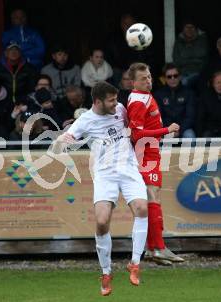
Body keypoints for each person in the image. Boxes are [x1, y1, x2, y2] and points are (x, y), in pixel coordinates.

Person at [56, 81, 148, 296]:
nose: (116, 103)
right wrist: (63, 139)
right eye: (111, 100)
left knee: (142, 208)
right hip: (105, 174)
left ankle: (134, 263)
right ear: (97, 101)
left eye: (116, 99)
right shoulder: (85, 121)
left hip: (128, 168)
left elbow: (131, 128)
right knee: (101, 220)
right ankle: (106, 272)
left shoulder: (120, 109)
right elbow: (65, 139)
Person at [126, 62, 184, 265]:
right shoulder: (138, 102)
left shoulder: (143, 96)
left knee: (152, 198)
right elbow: (135, 134)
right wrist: (165, 130)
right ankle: (158, 248)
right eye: (143, 78)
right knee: (153, 197)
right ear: (133, 82)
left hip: (151, 152)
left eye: (149, 76)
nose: (148, 80)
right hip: (145, 154)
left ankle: (154, 248)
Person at [153, 63, 196, 138]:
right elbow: (158, 117)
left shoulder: (189, 93)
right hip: (166, 129)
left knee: (190, 135)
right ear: (165, 78)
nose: (173, 79)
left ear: (180, 77)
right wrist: (169, 130)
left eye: (175, 76)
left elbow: (190, 116)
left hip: (183, 129)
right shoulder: (158, 94)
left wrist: (179, 130)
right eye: (169, 77)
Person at [172, 19, 208, 89]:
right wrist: (195, 60)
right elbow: (176, 60)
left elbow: (203, 56)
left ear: (196, 29)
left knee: (184, 82)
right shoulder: (179, 41)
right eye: (187, 27)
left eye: (191, 27)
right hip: (182, 72)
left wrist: (186, 58)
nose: (189, 29)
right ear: (183, 29)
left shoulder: (202, 39)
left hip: (199, 72)